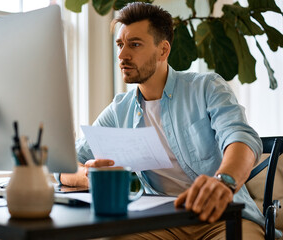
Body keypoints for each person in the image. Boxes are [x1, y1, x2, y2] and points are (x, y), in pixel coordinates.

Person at [55, 2, 281, 239]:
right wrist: (87, 175)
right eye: (120, 45)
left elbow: (241, 138)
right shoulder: (119, 110)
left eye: (134, 44)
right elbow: (65, 164)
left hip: (222, 217)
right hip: (162, 221)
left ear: (163, 50)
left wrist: (224, 181)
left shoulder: (206, 88)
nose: (122, 55)